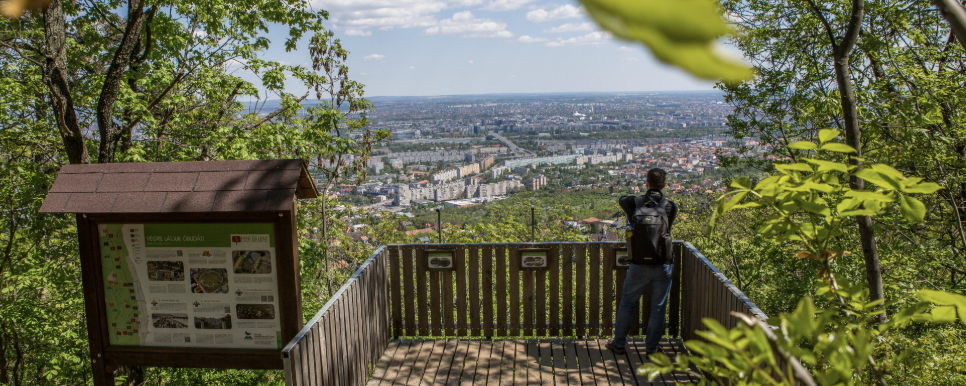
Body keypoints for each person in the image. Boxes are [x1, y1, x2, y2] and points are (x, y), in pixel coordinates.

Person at [606, 168, 678, 356]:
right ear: (664, 185)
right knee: (658, 307)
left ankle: (619, 344)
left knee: (628, 303)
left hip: (638, 264)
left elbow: (621, 198)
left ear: (646, 182)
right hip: (663, 264)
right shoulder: (670, 206)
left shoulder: (633, 203)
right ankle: (652, 349)